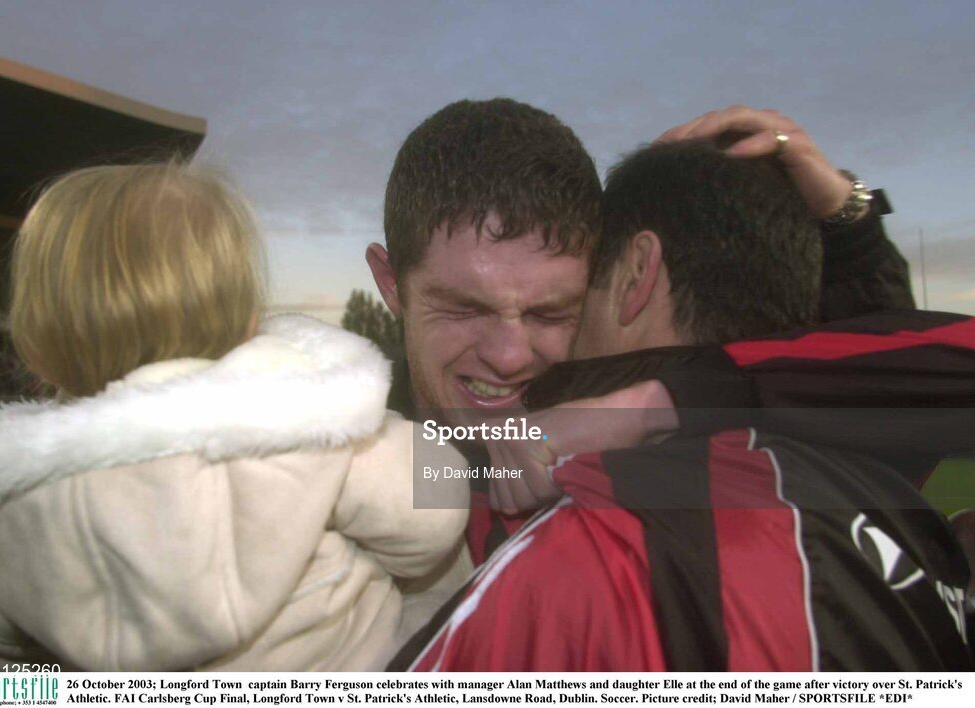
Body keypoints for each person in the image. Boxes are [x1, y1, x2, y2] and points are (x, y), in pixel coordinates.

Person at [391, 139, 973, 671]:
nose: (516, 356)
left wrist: (652, 400)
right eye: (464, 309)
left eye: (558, 307)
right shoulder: (886, 478)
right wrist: (853, 229)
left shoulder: (596, 547)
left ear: (638, 271)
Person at [0, 162, 469, 671]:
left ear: (34, 343)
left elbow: (3, 664)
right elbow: (435, 516)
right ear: (248, 316)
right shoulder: (312, 420)